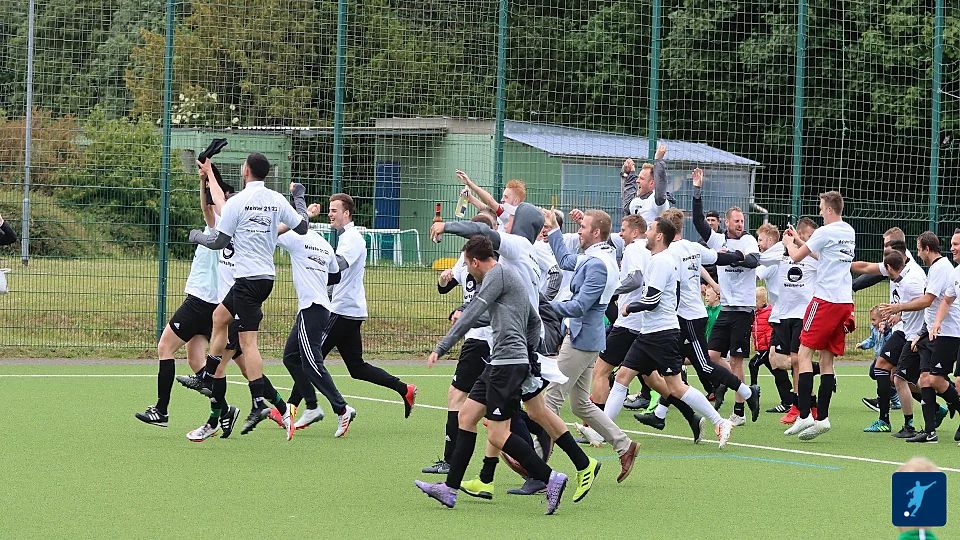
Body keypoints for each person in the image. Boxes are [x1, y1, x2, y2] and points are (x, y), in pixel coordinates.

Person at [415, 237, 570, 515]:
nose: (466, 270)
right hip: (499, 362)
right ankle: (449, 489)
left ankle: (550, 478)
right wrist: (528, 352)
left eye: (466, 264)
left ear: (476, 262)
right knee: (466, 416)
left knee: (498, 435)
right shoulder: (505, 276)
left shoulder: (496, 275)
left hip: (506, 365)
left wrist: (441, 347)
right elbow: (531, 320)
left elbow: (474, 312)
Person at [186, 152, 310, 439]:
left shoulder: (238, 203)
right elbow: (302, 226)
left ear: (245, 171)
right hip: (263, 278)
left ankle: (257, 403)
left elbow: (219, 241)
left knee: (247, 343)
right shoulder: (276, 199)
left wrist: (196, 236)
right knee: (219, 317)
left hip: (247, 281)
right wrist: (299, 198)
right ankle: (210, 375)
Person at [628, 207, 759, 432]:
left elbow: (677, 287)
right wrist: (737, 256)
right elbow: (716, 258)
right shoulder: (692, 247)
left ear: (664, 230)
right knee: (674, 369)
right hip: (683, 317)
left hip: (688, 317)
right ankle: (660, 414)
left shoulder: (669, 254)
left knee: (705, 366)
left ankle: (748, 393)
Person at [611, 217, 736, 447]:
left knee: (676, 386)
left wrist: (630, 307)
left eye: (650, 229)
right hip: (650, 332)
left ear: (659, 236)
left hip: (662, 334)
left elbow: (652, 301)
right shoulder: (658, 259)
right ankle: (603, 431)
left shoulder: (662, 261)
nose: (646, 233)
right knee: (622, 376)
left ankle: (720, 422)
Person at [540, 207, 639, 481]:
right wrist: (554, 227)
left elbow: (581, 306)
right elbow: (565, 260)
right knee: (581, 405)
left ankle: (536, 463)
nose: (579, 231)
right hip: (587, 338)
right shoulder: (597, 257)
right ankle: (624, 445)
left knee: (551, 400)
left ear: (596, 232)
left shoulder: (597, 264)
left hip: (581, 339)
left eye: (583, 227)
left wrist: (545, 308)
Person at [135, 161, 228, 431]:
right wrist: (204, 178)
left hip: (200, 301)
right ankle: (225, 409)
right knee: (197, 361)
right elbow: (208, 205)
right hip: (211, 303)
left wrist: (207, 179)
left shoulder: (221, 226)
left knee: (165, 347)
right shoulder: (222, 228)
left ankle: (161, 410)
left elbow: (208, 207)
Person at [325, 193, 418, 417]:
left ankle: (290, 408)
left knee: (311, 360)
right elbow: (338, 276)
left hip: (343, 310)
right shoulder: (345, 237)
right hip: (348, 309)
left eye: (334, 210)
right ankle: (404, 389)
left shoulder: (352, 238)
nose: (329, 214)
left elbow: (339, 265)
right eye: (329, 210)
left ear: (347, 213)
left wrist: (316, 260)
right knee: (356, 368)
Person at [275, 194, 357, 438]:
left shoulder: (295, 237)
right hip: (321, 308)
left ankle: (342, 408)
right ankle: (311, 406)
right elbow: (336, 275)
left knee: (312, 364)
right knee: (291, 357)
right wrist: (316, 272)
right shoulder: (323, 244)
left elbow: (271, 234)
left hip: (312, 307)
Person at [422, 212, 497, 475]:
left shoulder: (491, 266)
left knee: (458, 396)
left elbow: (482, 300)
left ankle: (450, 460)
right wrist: (443, 280)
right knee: (496, 403)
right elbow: (446, 285)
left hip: (482, 337)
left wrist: (463, 311)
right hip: (475, 336)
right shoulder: (466, 258)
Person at [783, 191, 856, 440]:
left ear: (829, 209)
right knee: (827, 361)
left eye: (821, 207)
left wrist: (789, 243)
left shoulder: (824, 231)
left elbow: (795, 258)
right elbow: (823, 255)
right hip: (844, 303)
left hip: (825, 300)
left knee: (803, 354)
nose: (819, 211)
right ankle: (822, 418)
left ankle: (804, 414)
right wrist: (800, 240)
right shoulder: (848, 231)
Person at [692, 171, 761, 419]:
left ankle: (739, 411)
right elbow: (698, 222)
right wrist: (697, 191)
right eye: (736, 221)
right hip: (726, 308)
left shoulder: (748, 240)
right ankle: (741, 388)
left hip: (743, 309)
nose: (740, 224)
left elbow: (754, 260)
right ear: (727, 222)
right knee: (710, 357)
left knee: (736, 361)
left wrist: (732, 257)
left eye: (742, 221)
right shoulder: (718, 239)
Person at [622, 143, 671, 224]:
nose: (637, 181)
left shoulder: (658, 202)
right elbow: (627, 205)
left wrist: (658, 160)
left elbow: (660, 190)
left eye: (641, 178)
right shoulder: (636, 201)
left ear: (652, 183)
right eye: (638, 177)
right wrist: (630, 174)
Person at [894, 457, 942, 540]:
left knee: (914, 506)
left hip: (915, 501)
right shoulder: (918, 488)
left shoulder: (920, 488)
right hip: (915, 501)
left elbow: (925, 487)